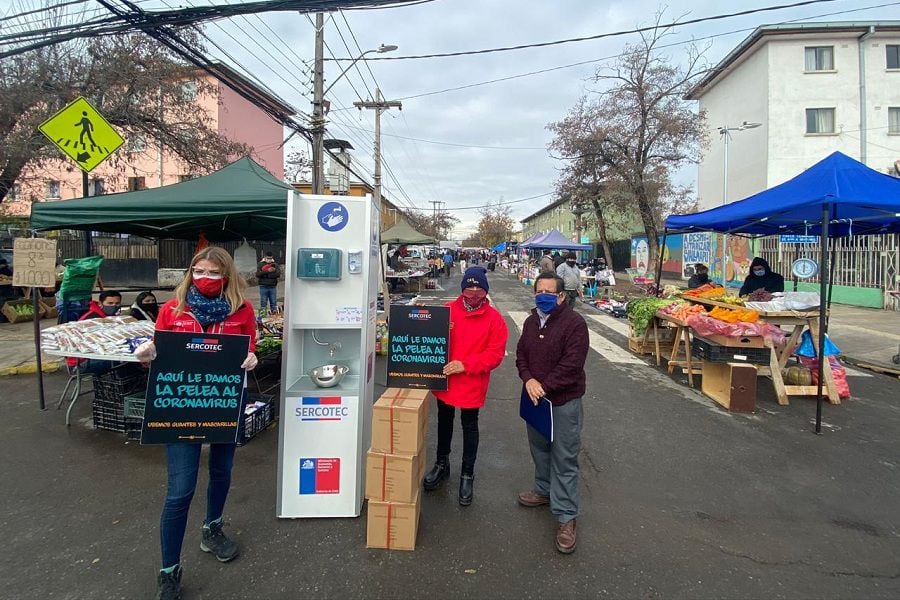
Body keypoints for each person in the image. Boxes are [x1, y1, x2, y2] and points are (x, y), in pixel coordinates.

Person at [134, 246, 258, 600]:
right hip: (180, 404)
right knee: (180, 490)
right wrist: (146, 356)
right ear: (191, 272)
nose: (205, 278)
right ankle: (169, 570)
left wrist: (251, 357)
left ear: (226, 276)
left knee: (222, 471)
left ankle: (213, 528)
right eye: (199, 271)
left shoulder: (242, 310)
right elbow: (159, 350)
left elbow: (251, 344)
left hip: (223, 402)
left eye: (213, 273)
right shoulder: (173, 309)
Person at [515, 272, 589, 554]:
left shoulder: (574, 324)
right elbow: (522, 355)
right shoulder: (531, 321)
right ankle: (543, 490)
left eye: (549, 292)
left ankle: (567, 515)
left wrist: (544, 386)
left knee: (564, 456)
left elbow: (572, 365)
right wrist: (529, 380)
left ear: (560, 296)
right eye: (539, 291)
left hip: (563, 402)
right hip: (535, 399)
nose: (543, 295)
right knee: (539, 448)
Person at [422, 266, 508, 506]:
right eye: (469, 287)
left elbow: (495, 355)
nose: (473, 291)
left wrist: (466, 364)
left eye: (478, 287)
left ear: (485, 290)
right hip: (445, 380)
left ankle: (467, 473)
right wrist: (410, 320)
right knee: (444, 421)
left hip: (472, 381)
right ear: (462, 289)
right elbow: (428, 334)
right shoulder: (447, 311)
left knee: (470, 426)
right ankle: (442, 463)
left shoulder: (494, 319)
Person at [65, 290, 123, 375]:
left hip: (92, 358)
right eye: (110, 303)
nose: (114, 306)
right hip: (80, 365)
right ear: (100, 304)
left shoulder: (108, 316)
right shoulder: (92, 319)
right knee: (124, 361)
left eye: (117, 303)